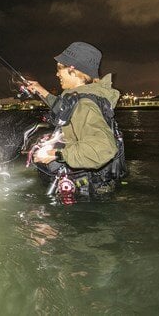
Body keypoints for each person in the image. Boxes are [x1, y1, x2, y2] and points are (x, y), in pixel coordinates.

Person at [24, 41, 126, 201]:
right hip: (96, 185)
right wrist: (41, 91)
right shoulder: (86, 95)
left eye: (59, 69)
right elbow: (64, 108)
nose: (57, 74)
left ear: (73, 70)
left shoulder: (84, 104)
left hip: (88, 197)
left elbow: (104, 148)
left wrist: (55, 154)